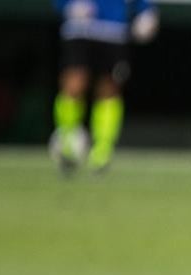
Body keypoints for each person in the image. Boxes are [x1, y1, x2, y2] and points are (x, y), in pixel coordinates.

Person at [51, 0, 158, 174]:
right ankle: (67, 141)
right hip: (79, 28)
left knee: (109, 89)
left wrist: (145, 12)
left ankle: (102, 150)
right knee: (74, 84)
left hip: (113, 31)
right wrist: (67, 6)